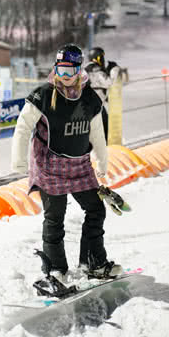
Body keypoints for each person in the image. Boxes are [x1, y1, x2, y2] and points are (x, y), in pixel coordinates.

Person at [11, 43, 122, 282]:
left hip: (80, 166)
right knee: (55, 219)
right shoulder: (43, 95)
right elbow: (22, 128)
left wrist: (102, 161)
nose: (65, 77)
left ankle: (92, 262)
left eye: (70, 71)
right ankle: (55, 269)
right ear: (55, 69)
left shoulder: (89, 97)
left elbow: (97, 133)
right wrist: (19, 161)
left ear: (79, 71)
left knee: (95, 209)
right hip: (50, 166)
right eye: (60, 70)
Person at [84, 46, 121, 142]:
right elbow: (109, 83)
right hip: (93, 106)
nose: (104, 60)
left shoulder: (88, 69)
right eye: (102, 57)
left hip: (91, 105)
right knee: (104, 131)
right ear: (97, 58)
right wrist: (113, 70)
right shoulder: (95, 69)